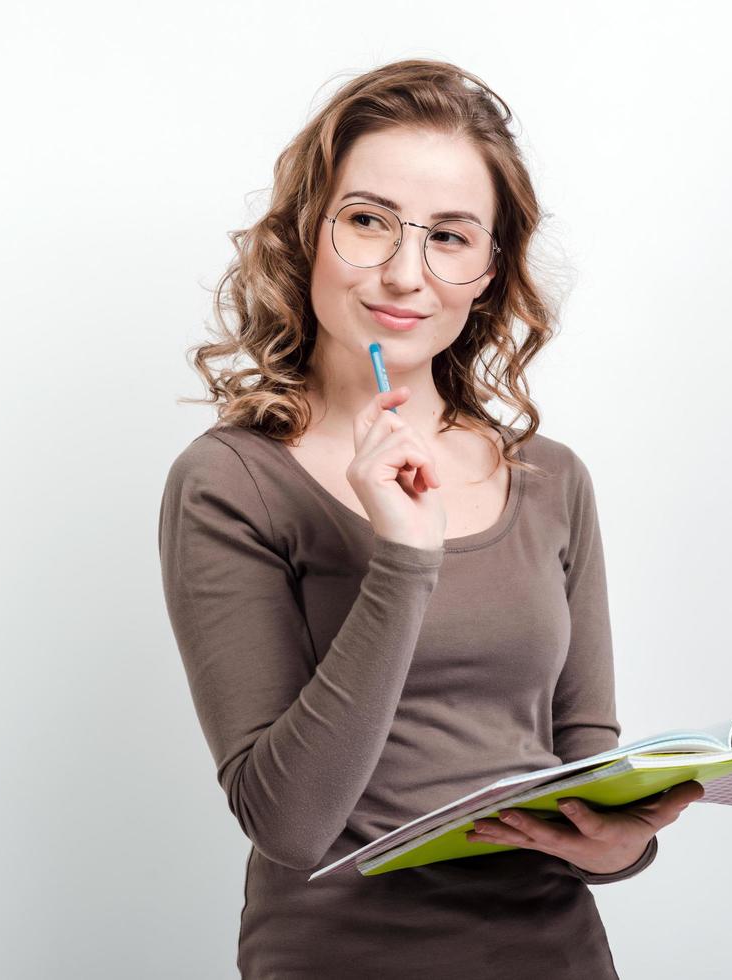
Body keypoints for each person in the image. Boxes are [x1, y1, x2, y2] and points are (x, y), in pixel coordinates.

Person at [157, 59, 702, 978]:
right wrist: (403, 558)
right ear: (306, 234)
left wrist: (625, 849)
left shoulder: (551, 479)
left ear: (489, 271)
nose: (404, 273)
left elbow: (584, 756)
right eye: (367, 221)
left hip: (556, 955)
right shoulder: (231, 482)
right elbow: (288, 823)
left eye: (449, 237)